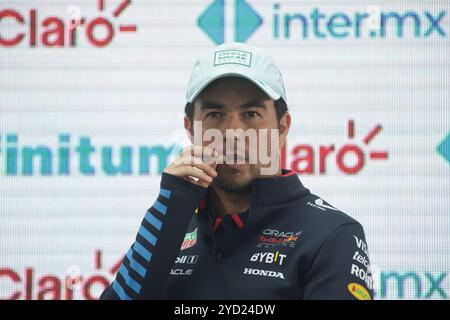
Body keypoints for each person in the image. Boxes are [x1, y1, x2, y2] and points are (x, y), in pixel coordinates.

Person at [100, 42, 373, 300]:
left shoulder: (332, 233)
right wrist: (170, 208)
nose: (233, 133)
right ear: (190, 129)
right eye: (215, 115)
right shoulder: (170, 223)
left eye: (251, 114)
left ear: (282, 128)